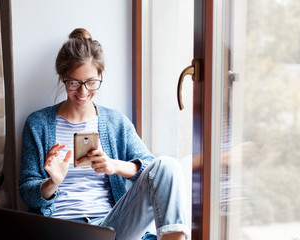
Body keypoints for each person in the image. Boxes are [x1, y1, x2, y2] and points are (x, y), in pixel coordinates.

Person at [18, 28, 189, 240]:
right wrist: (52, 182)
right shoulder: (38, 124)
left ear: (100, 75)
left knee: (167, 166)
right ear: (62, 77)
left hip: (110, 226)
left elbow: (151, 170)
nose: (82, 92)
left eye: (91, 82)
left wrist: (113, 165)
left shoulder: (115, 122)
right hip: (61, 229)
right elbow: (27, 191)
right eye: (74, 83)